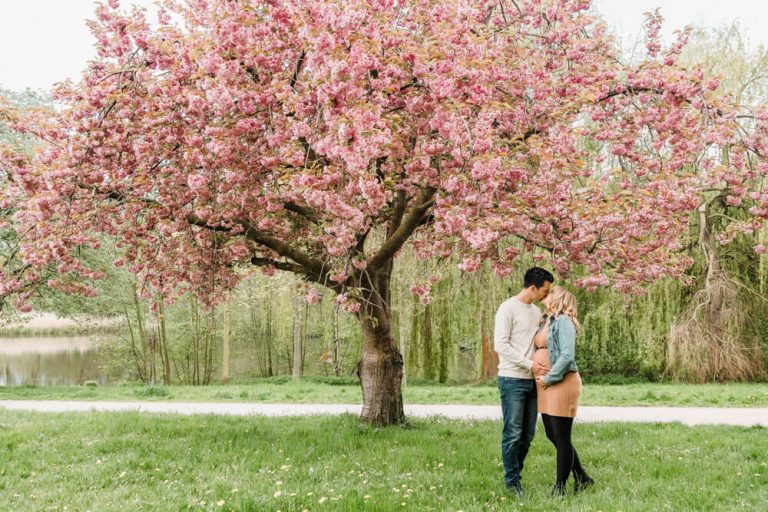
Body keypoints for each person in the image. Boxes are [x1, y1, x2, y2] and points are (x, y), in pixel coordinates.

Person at [494, 267, 554, 495]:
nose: (546, 295)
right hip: (512, 379)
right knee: (513, 432)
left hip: (533, 381)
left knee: (528, 434)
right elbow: (500, 345)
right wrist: (529, 364)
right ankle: (512, 483)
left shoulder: (535, 312)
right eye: (545, 291)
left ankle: (514, 473)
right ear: (532, 287)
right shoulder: (507, 309)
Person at [533, 286, 594, 497]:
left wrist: (549, 377)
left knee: (561, 436)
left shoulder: (564, 322)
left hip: (561, 383)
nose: (545, 294)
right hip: (547, 385)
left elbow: (567, 355)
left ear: (557, 299)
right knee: (553, 434)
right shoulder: (546, 321)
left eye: (550, 292)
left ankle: (559, 487)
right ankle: (583, 477)